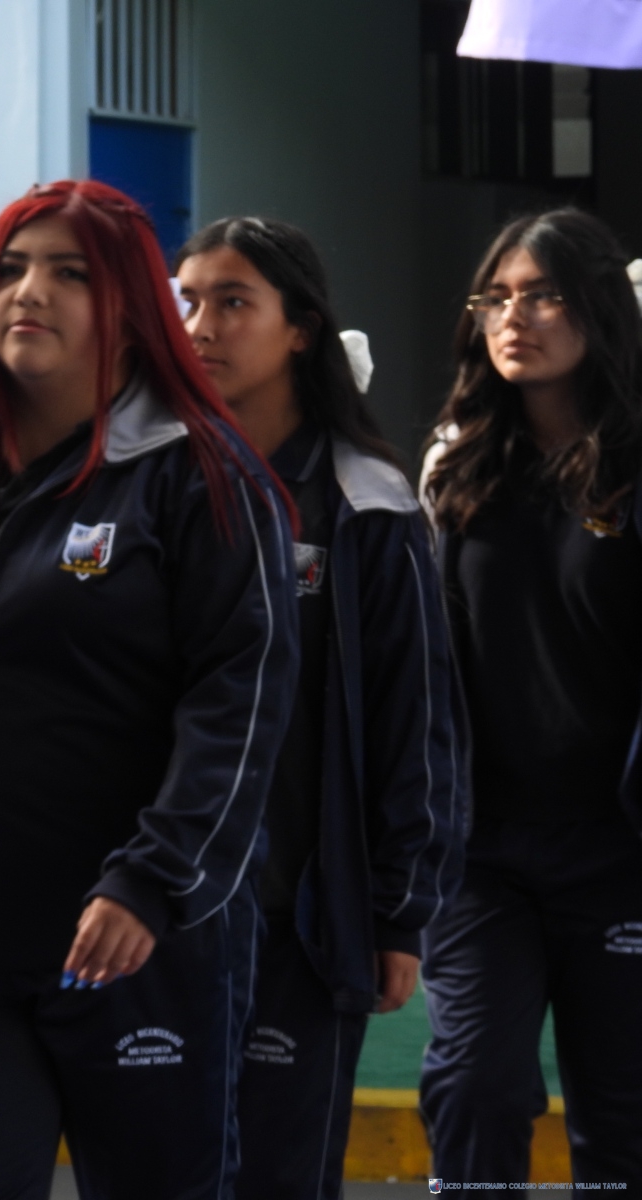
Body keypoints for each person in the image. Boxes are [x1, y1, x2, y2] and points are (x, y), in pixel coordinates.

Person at [0, 179, 298, 1200]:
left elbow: (240, 701)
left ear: (131, 307)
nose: (29, 293)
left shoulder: (202, 475)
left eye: (69, 273)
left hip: (137, 946)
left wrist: (152, 879)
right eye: (10, 268)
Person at [175, 216, 465, 1200]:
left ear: (300, 329)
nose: (199, 326)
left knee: (278, 1176)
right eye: (187, 301)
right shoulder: (154, 482)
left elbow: (413, 718)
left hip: (296, 916)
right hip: (165, 906)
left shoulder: (367, 503)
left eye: (231, 302)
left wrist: (398, 913)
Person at [419, 208, 642, 1185]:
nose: (514, 318)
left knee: (623, 1113)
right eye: (497, 297)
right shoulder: (456, 463)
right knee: (474, 1085)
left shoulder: (633, 464)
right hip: (482, 852)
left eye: (544, 295)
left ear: (599, 308)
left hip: (621, 848)